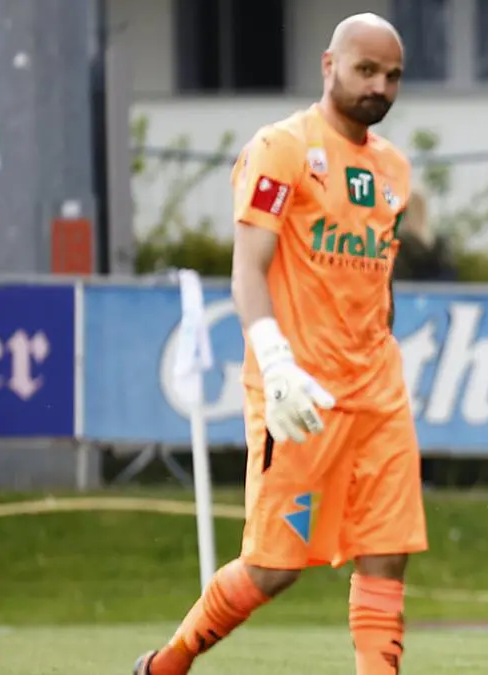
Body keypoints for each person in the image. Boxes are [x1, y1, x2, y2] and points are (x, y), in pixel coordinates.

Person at [134, 13, 425, 675]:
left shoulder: (394, 168)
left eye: (392, 76)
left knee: (387, 553)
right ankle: (169, 662)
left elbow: (379, 276)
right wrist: (274, 361)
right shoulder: (281, 147)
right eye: (366, 70)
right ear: (329, 65)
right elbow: (248, 268)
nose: (379, 86)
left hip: (378, 392)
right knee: (273, 567)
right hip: (298, 388)